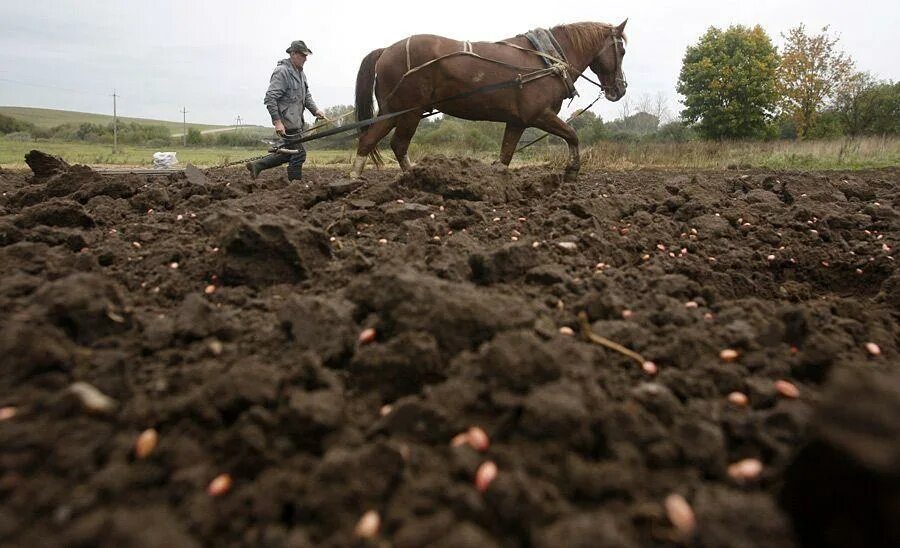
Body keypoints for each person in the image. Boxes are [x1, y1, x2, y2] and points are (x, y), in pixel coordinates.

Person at [246, 40, 328, 181]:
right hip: (286, 123)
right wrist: (277, 122)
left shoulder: (301, 74)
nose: (305, 59)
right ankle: (295, 187)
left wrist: (315, 111)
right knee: (299, 154)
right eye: (303, 55)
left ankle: (257, 165)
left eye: (306, 56)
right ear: (293, 54)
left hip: (296, 122)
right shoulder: (282, 72)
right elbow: (270, 98)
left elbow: (306, 96)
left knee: (288, 153)